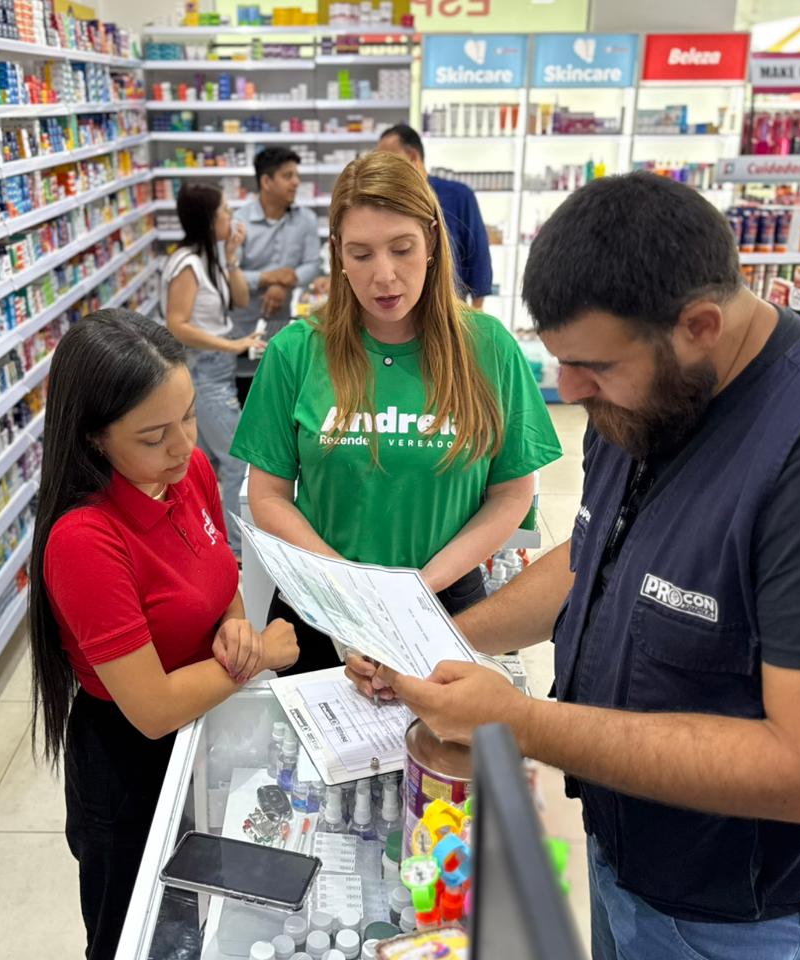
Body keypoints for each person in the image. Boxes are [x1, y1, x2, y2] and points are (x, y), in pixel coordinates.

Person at [348, 173, 800, 958]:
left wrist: (523, 723)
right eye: (560, 360)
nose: (568, 391)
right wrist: (444, 638)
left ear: (700, 325)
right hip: (630, 856)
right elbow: (593, 556)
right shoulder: (644, 399)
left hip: (748, 917)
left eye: (592, 368)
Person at [27, 310, 298, 960]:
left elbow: (217, 583)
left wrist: (234, 627)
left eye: (188, 418)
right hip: (127, 764)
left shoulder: (190, 473)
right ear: (94, 438)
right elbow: (149, 709)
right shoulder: (84, 540)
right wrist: (258, 653)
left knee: (195, 922)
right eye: (153, 435)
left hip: (205, 731)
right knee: (132, 936)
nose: (183, 446)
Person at [232, 151, 560, 676]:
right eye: (361, 254)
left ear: (431, 241)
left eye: (402, 249)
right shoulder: (295, 351)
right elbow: (270, 495)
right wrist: (354, 594)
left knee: (439, 755)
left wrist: (416, 590)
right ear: (337, 254)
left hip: (449, 603)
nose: (384, 276)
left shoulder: (489, 347)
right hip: (323, 607)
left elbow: (512, 494)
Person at [161, 183, 260, 556]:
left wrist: (232, 255)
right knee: (236, 457)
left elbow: (241, 298)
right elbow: (177, 324)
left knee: (192, 463)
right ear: (207, 218)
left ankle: (197, 541)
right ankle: (235, 549)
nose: (231, 217)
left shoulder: (209, 258)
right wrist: (233, 345)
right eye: (225, 211)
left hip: (215, 371)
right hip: (201, 373)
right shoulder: (186, 264)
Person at [230, 146, 321, 405]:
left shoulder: (306, 219)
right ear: (266, 182)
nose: (296, 182)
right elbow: (230, 273)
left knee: (285, 396)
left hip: (287, 325)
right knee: (249, 396)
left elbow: (313, 264)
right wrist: (267, 278)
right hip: (245, 326)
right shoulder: (240, 222)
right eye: (288, 176)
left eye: (296, 175)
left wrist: (285, 283)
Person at [377, 123, 493, 310]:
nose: (383, 168)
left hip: (451, 309)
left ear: (413, 156)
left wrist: (477, 312)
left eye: (388, 160)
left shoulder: (458, 196)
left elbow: (478, 255)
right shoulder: (386, 203)